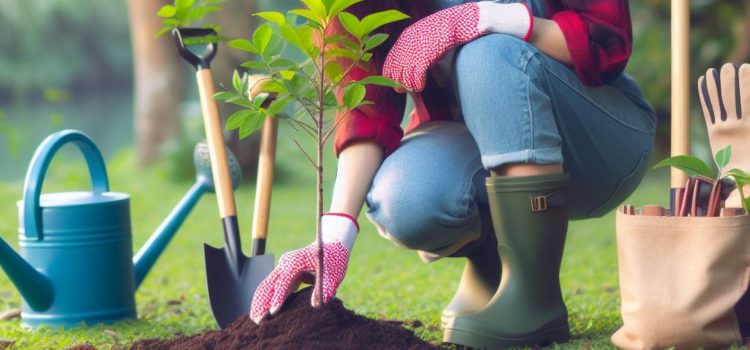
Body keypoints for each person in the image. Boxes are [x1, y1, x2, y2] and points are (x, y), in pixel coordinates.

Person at [250, 0, 656, 348]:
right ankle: (493, 268)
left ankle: (535, 296)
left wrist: (487, 18)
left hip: (599, 141)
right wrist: (334, 235)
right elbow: (366, 104)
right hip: (480, 148)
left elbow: (607, 40)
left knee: (488, 51)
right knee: (408, 198)